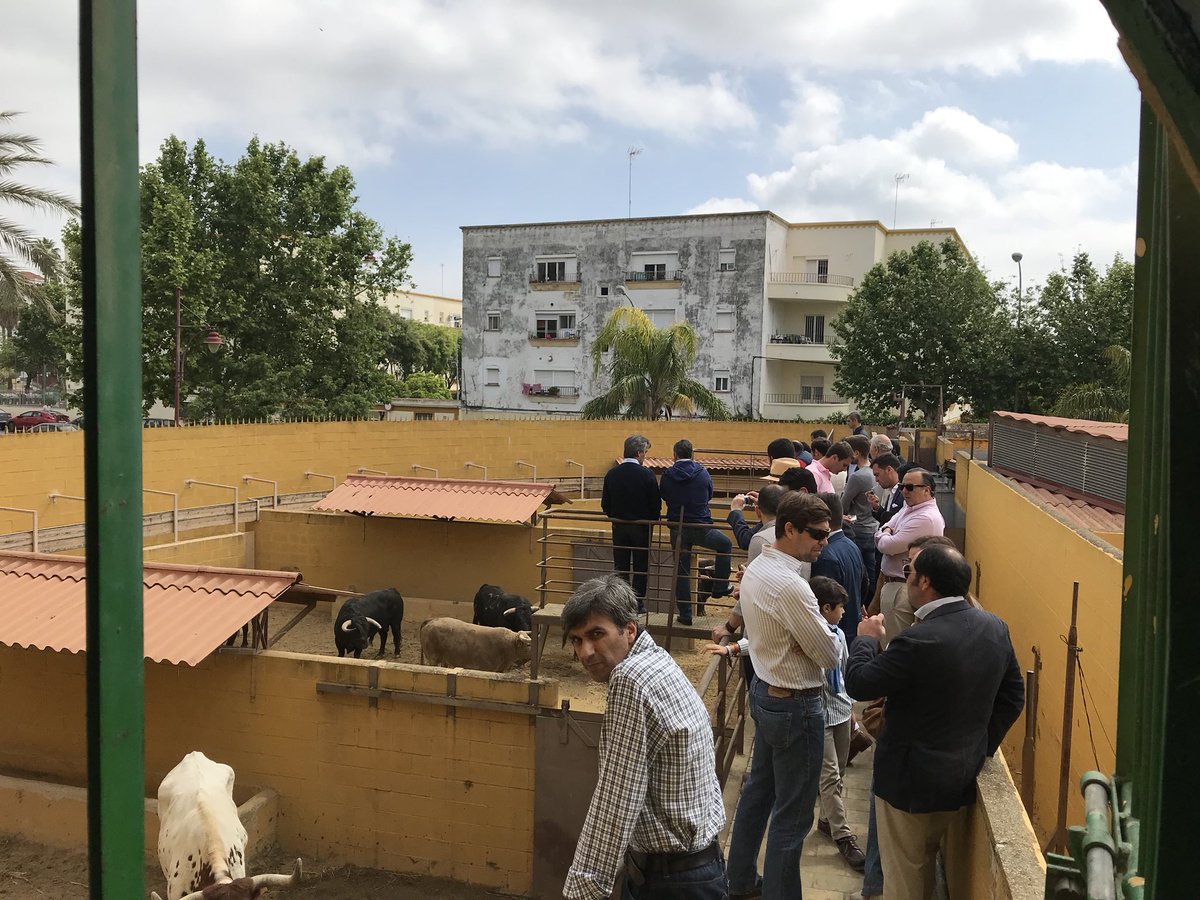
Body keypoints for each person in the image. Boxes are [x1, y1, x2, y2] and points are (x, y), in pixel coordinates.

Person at [845, 546, 1024, 900]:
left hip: (908, 782)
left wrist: (866, 638)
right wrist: (979, 745)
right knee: (922, 862)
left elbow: (859, 683)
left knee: (905, 879)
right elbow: (1013, 697)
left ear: (925, 582)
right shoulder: (993, 626)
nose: (906, 577)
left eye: (909, 571)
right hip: (957, 775)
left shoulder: (918, 639)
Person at [562, 576, 727, 900]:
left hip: (672, 882)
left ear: (629, 630)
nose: (585, 652)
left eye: (596, 634)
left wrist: (584, 889)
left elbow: (617, 796)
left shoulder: (630, 679)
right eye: (576, 640)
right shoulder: (657, 660)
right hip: (699, 868)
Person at [726, 493, 840, 900]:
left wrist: (804, 640)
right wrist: (821, 638)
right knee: (792, 817)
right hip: (795, 703)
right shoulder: (792, 586)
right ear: (789, 529)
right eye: (817, 534)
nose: (824, 542)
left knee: (759, 793)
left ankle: (739, 880)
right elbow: (829, 655)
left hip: (767, 692)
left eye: (827, 534)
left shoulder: (759, 566)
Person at [809, 575, 866, 872]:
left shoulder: (840, 634)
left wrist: (851, 706)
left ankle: (825, 820)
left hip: (841, 709)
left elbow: (843, 673)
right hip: (818, 713)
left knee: (839, 771)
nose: (844, 612)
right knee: (829, 774)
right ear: (826, 608)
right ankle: (844, 837)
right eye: (840, 607)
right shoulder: (809, 635)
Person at [659, 439, 731, 625]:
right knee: (725, 544)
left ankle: (685, 614)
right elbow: (709, 494)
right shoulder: (702, 473)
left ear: (675, 455)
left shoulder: (667, 475)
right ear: (692, 454)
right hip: (701, 526)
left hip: (678, 528)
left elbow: (664, 495)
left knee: (681, 571)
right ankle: (720, 586)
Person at [870, 468, 944, 645]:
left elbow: (887, 546)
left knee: (893, 642)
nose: (904, 491)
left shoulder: (925, 517)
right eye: (902, 486)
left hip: (903, 587)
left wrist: (885, 532)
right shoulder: (909, 508)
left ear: (926, 490)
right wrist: (887, 531)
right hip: (892, 583)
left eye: (910, 487)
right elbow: (886, 526)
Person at [601, 435, 661, 612]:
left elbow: (605, 504)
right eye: (645, 452)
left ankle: (621, 602)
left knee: (621, 567)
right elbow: (655, 505)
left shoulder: (612, 474)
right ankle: (637, 604)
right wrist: (651, 519)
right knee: (641, 567)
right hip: (642, 528)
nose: (645, 456)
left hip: (619, 527)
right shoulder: (647, 474)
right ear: (638, 453)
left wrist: (615, 516)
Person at [811, 493, 864, 646]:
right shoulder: (851, 545)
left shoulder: (825, 555)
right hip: (852, 628)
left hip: (835, 635)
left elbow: (824, 602)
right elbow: (864, 583)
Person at [842, 434, 879, 595]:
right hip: (873, 527)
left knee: (859, 574)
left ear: (856, 453)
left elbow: (843, 505)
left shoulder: (857, 476)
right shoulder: (874, 472)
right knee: (872, 571)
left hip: (859, 529)